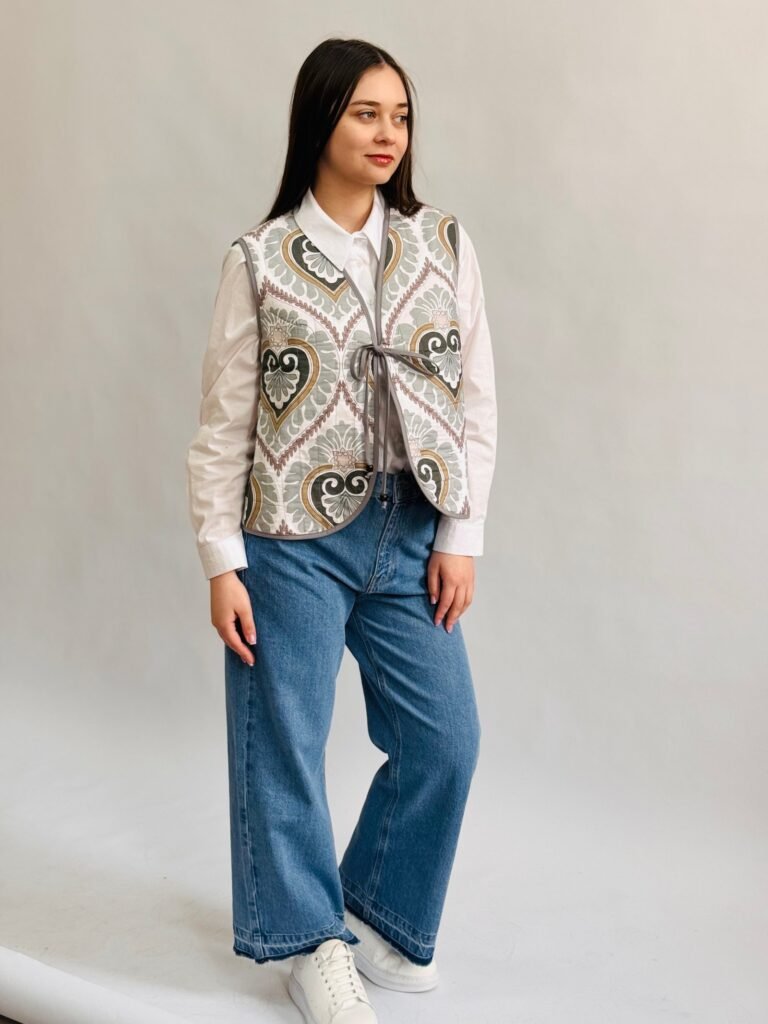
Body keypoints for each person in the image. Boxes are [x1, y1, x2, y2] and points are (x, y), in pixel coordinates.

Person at [186, 36, 497, 1024]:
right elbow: (224, 423)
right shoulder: (260, 260)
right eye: (366, 112)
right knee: (285, 740)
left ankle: (375, 911)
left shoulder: (443, 244)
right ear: (320, 119)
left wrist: (461, 535)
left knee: (445, 737)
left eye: (399, 116)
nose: (387, 133)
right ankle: (307, 941)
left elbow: (475, 396)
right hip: (290, 540)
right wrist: (221, 561)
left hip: (411, 531)